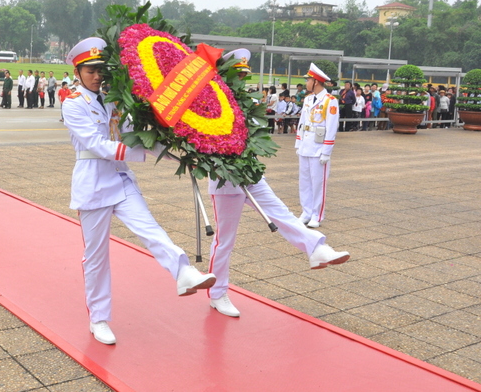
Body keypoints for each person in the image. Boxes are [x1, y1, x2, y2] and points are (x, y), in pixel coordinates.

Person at [62, 37, 215, 345]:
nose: (96, 75)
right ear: (77, 73)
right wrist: (142, 153)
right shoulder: (73, 104)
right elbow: (98, 146)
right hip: (92, 183)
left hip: (120, 179)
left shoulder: (115, 100)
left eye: (100, 69)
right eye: (89, 70)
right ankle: (99, 318)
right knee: (96, 257)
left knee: (150, 228)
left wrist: (176, 152)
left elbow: (136, 136)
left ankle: (183, 272)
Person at [207, 50, 349, 317]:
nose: (242, 81)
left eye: (244, 76)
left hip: (250, 173)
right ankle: (217, 293)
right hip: (225, 179)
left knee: (281, 213)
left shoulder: (247, 103)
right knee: (225, 241)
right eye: (237, 76)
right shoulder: (211, 103)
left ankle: (317, 248)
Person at [296, 63, 339, 228]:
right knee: (304, 181)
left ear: (316, 82)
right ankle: (306, 212)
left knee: (318, 182)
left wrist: (326, 152)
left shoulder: (330, 101)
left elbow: (331, 127)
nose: (306, 82)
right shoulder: (307, 99)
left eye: (308, 80)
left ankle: (317, 215)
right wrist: (298, 143)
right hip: (306, 146)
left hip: (319, 148)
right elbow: (302, 123)